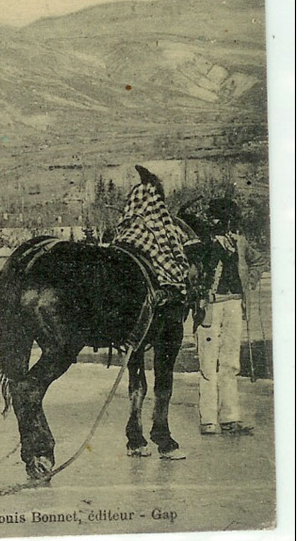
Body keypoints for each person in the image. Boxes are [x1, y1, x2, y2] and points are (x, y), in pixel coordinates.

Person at [194, 198, 263, 436]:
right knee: (207, 364)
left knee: (231, 363)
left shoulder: (239, 243)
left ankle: (230, 417)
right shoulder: (201, 243)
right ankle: (208, 419)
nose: (213, 221)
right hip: (210, 308)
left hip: (234, 304)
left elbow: (259, 261)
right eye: (211, 217)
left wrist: (249, 283)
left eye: (217, 217)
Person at [112, 165, 190, 305]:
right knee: (165, 258)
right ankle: (170, 288)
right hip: (143, 235)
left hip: (127, 236)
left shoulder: (136, 195)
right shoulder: (155, 204)